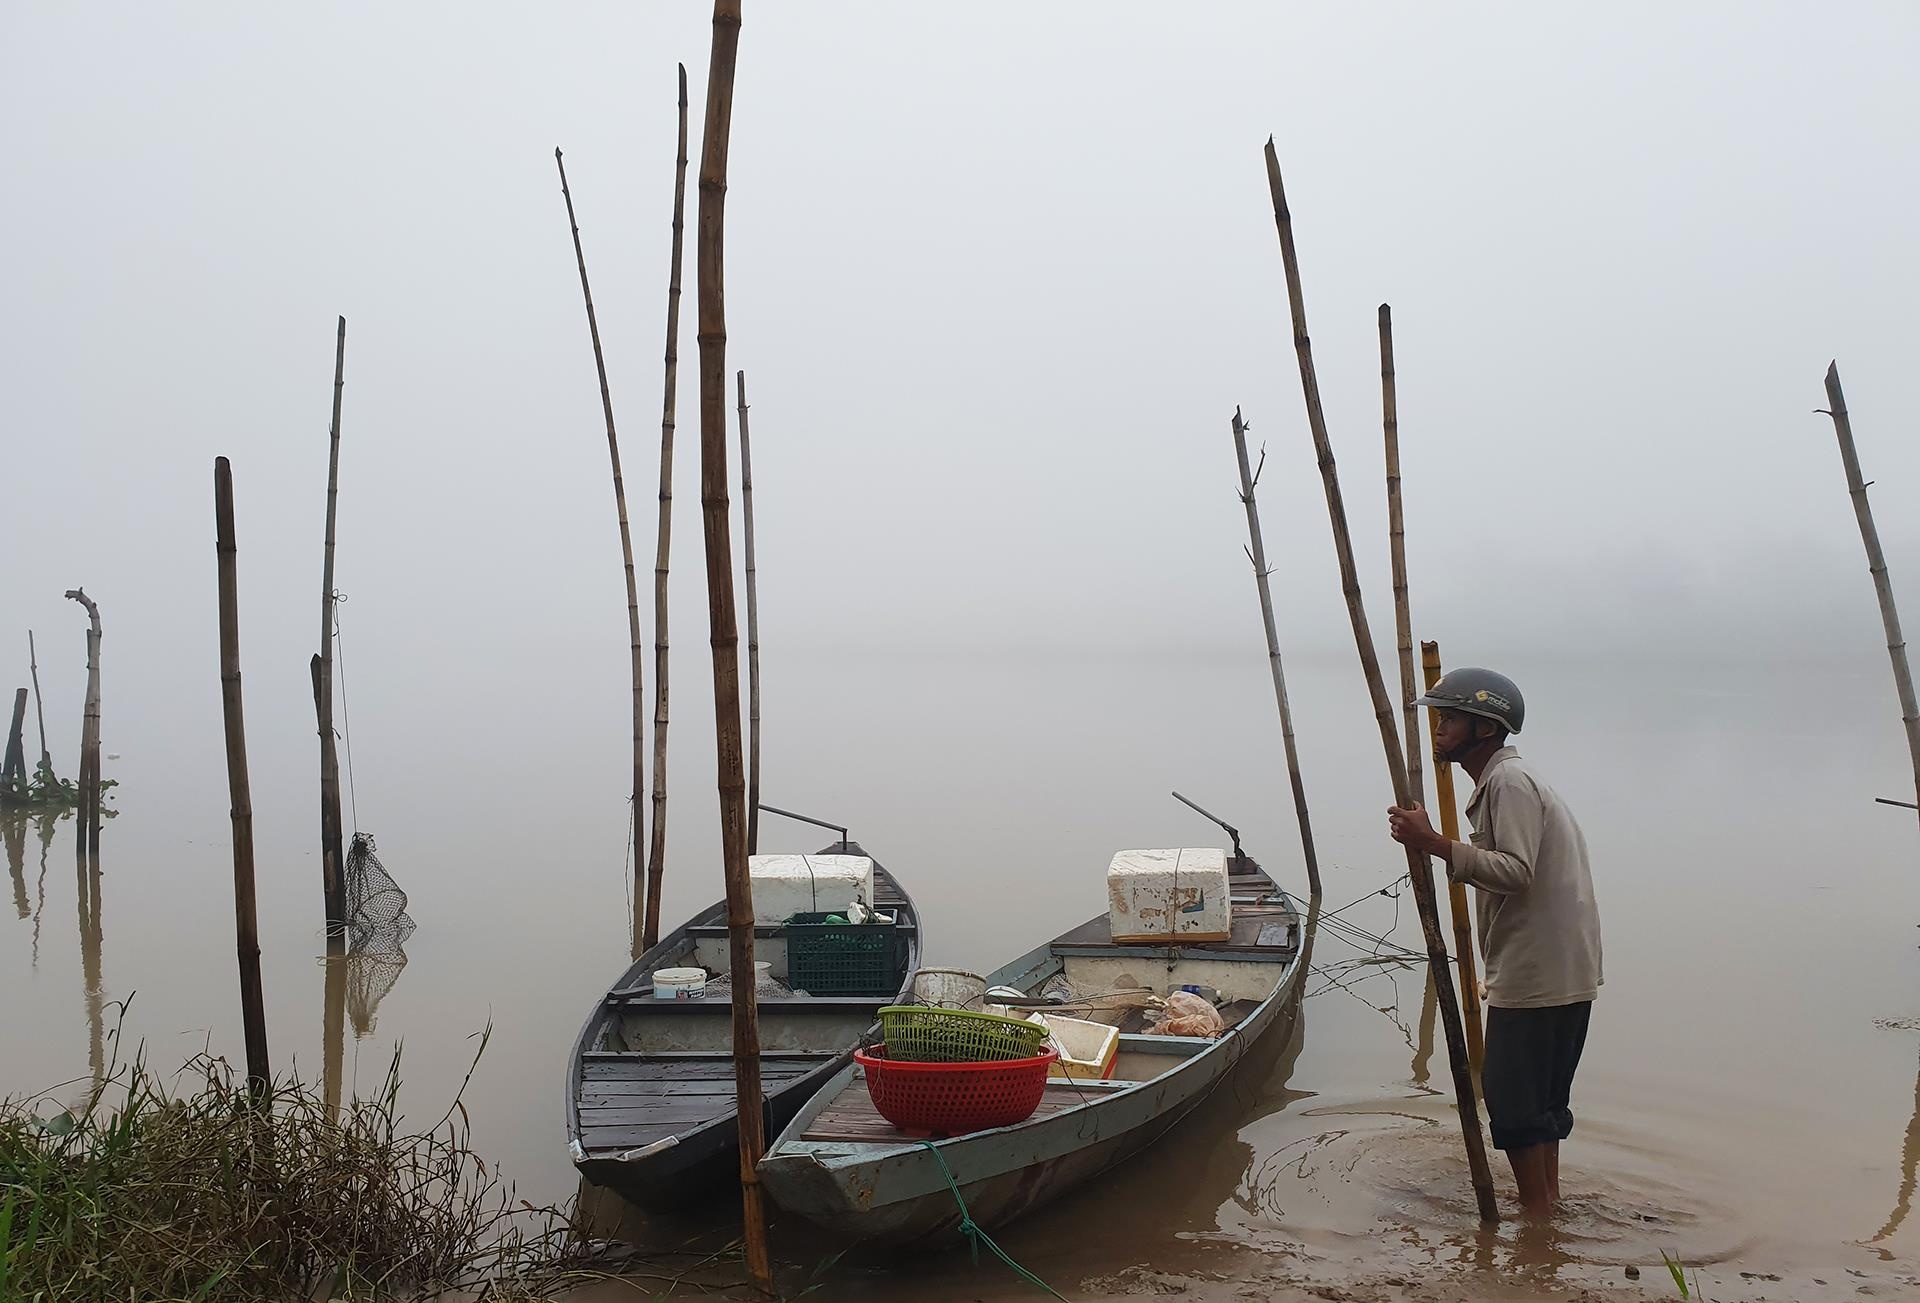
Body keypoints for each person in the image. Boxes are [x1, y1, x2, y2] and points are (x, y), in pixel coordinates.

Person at [1385, 667, 1602, 1218]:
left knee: (1513, 1102)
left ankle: (1536, 1219)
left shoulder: (1508, 783)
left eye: (1450, 718)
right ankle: (1545, 1206)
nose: (1439, 728)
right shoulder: (1506, 782)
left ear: (1485, 730)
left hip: (1538, 971)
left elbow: (1516, 871)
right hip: (1558, 968)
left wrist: (1434, 843)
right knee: (1541, 1104)